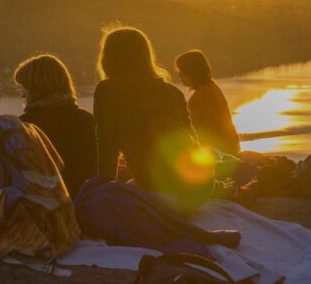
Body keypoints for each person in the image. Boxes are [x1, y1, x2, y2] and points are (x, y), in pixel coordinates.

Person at [93, 26, 213, 209]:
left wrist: (104, 195)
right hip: (201, 186)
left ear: (108, 57)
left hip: (164, 191)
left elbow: (107, 149)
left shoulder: (107, 91)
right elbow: (193, 142)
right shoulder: (172, 92)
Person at [14, 53, 96, 197]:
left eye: (24, 88)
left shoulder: (27, 125)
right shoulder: (86, 119)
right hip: (87, 202)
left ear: (36, 88)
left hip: (46, 207)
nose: (22, 95)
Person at [175, 49, 241, 156]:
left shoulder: (200, 96)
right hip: (231, 147)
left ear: (192, 72)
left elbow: (191, 128)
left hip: (217, 151)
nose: (179, 75)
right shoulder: (213, 88)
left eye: (182, 72)